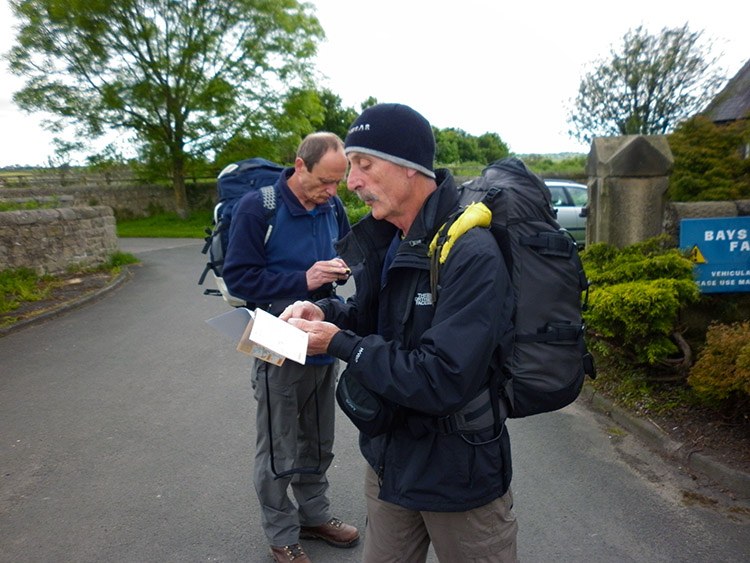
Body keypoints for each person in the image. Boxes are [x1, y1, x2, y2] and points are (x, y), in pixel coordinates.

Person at [281, 104, 518, 563]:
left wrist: (337, 342)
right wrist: (326, 311)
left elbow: (441, 377)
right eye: (351, 166)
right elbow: (376, 318)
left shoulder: (471, 251)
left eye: (364, 165)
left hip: (459, 471)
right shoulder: (392, 238)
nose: (351, 182)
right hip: (391, 459)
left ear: (411, 169)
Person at [222, 132, 359, 563]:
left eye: (339, 183)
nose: (332, 192)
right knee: (279, 441)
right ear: (300, 166)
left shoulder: (332, 206)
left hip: (321, 336)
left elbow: (346, 252)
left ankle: (314, 515)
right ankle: (282, 533)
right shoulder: (258, 207)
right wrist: (304, 280)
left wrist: (338, 273)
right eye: (324, 181)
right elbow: (239, 280)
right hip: (271, 334)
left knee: (319, 436)